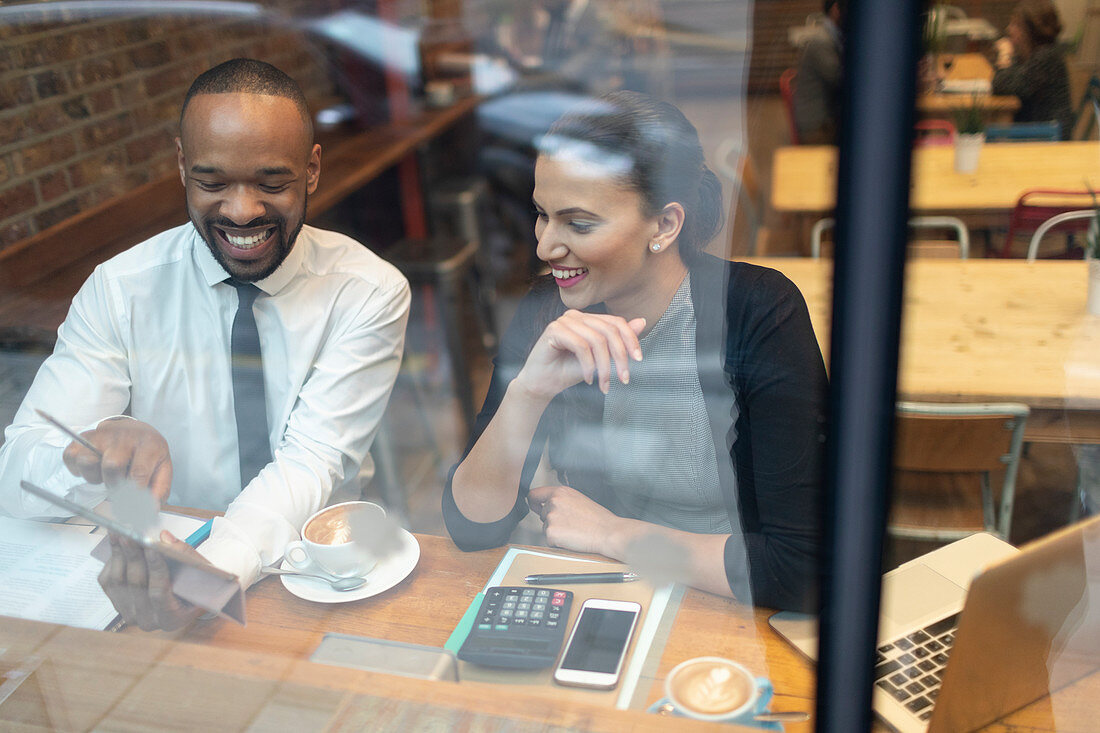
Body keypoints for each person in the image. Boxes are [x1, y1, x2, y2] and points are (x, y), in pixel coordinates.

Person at [0, 59, 411, 630]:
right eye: (212, 183)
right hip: (158, 568)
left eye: (272, 183)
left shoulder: (366, 291)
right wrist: (82, 453)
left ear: (312, 170)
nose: (241, 210)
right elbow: (14, 476)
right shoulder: (122, 289)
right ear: (182, 166)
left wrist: (205, 578)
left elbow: (310, 462)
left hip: (307, 566)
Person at [443, 91, 827, 612]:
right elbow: (472, 527)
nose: (544, 246)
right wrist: (527, 392)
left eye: (578, 223)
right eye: (541, 215)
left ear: (665, 226)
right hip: (602, 598)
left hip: (727, 609)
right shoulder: (547, 311)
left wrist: (616, 535)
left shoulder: (757, 312)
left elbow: (801, 566)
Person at [992, 0, 1074, 139]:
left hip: (1049, 134)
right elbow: (1005, 81)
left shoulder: (1047, 57)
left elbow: (1002, 86)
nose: (1009, 29)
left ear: (1029, 30)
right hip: (1038, 127)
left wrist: (1004, 56)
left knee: (983, 134)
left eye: (1015, 25)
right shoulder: (1031, 55)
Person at [792, 0, 845, 145]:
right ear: (836, 9)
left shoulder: (832, 35)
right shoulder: (820, 41)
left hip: (827, 121)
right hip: (817, 129)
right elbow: (840, 79)